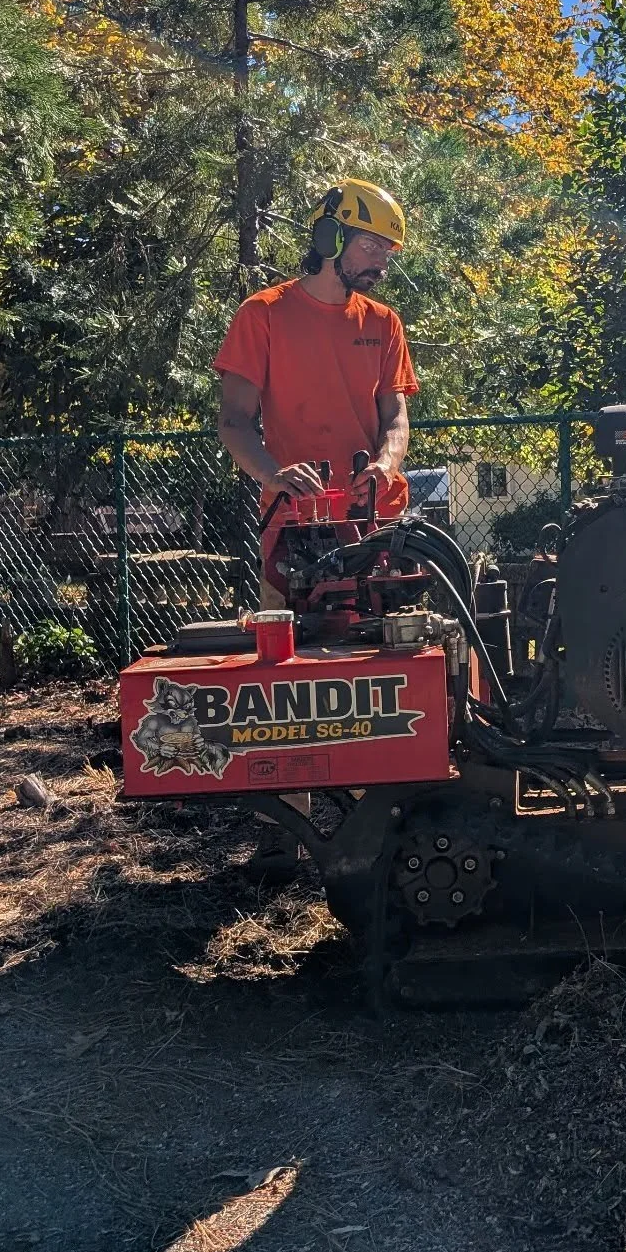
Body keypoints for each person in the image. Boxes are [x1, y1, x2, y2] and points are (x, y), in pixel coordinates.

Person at [213, 177, 419, 877]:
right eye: (370, 245)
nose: (381, 261)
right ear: (329, 237)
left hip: (370, 528)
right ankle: (282, 834)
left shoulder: (383, 323)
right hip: (294, 531)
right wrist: (273, 473)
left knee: (376, 673)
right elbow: (234, 420)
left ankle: (376, 829)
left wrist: (386, 464)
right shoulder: (263, 315)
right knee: (285, 682)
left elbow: (395, 417)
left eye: (387, 250)